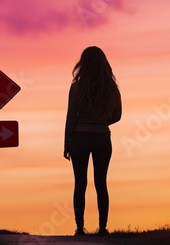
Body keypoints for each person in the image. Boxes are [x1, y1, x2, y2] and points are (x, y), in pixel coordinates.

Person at [63, 46, 122, 236]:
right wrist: (102, 122)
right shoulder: (111, 88)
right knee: (101, 183)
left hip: (79, 138)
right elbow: (118, 115)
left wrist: (66, 143)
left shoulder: (76, 87)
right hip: (102, 138)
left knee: (80, 184)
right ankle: (103, 227)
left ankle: (80, 228)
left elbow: (71, 117)